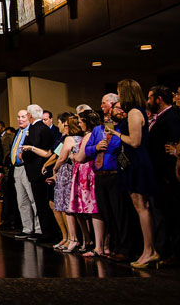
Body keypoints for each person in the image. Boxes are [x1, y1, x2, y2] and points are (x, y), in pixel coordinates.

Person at [109, 79, 158, 269]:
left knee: (142, 207)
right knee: (139, 207)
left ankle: (149, 250)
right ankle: (148, 250)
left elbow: (135, 141)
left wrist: (116, 134)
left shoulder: (135, 112)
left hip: (137, 162)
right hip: (132, 162)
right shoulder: (133, 112)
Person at [82, 94, 130, 262]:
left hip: (115, 174)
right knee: (106, 213)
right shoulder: (97, 130)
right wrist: (95, 147)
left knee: (119, 212)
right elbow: (87, 150)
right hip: (99, 175)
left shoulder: (122, 130)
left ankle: (124, 247)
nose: (107, 118)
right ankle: (113, 245)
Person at [146, 85, 180, 265]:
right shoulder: (162, 118)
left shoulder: (171, 118)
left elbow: (178, 141)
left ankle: (176, 254)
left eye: (150, 98)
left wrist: (175, 153)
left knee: (172, 216)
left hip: (168, 175)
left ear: (159, 99)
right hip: (159, 174)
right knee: (163, 215)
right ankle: (165, 251)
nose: (147, 102)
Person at [22, 103, 57, 243]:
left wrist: (24, 155)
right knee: (43, 202)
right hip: (41, 169)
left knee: (41, 202)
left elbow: (35, 147)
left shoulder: (36, 128)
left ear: (29, 115)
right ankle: (47, 231)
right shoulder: (44, 127)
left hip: (37, 170)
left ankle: (47, 232)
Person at [71, 111, 101, 256]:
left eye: (81, 121)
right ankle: (91, 241)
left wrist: (74, 156)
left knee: (92, 208)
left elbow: (81, 156)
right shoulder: (88, 135)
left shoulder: (89, 135)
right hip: (83, 172)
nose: (79, 124)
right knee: (85, 209)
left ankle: (98, 245)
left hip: (87, 172)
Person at [49, 115, 80, 252]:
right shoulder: (69, 138)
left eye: (65, 125)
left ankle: (72, 238)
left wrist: (54, 168)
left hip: (67, 172)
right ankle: (69, 238)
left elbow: (61, 157)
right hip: (70, 171)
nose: (63, 127)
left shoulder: (70, 138)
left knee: (66, 206)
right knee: (62, 205)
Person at [11, 109, 40, 240]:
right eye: (18, 117)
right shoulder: (19, 131)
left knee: (33, 198)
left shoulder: (31, 131)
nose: (20, 119)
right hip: (17, 168)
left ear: (29, 117)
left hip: (27, 167)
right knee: (21, 200)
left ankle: (38, 229)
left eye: (23, 116)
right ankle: (27, 228)